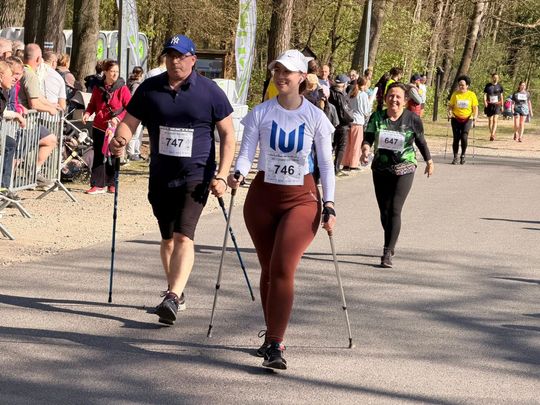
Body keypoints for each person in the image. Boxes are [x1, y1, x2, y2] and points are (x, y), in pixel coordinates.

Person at [109, 34, 236, 326]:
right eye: (170, 55)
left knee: (183, 235)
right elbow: (129, 123)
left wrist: (221, 174)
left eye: (180, 56)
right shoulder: (150, 88)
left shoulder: (210, 91)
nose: (174, 61)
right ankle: (175, 290)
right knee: (167, 239)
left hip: (197, 175)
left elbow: (228, 135)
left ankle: (173, 297)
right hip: (161, 175)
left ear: (193, 59)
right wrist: (120, 140)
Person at [227, 49, 336, 370]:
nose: (280, 76)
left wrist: (329, 204)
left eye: (287, 71)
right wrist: (238, 172)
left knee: (283, 268)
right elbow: (247, 153)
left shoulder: (315, 117)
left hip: (302, 200)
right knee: (268, 268)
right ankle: (270, 334)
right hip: (262, 199)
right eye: (277, 70)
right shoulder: (261, 112)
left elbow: (326, 165)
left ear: (302, 77)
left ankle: (276, 342)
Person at [360, 82, 434, 268]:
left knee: (394, 209)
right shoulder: (377, 116)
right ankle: (391, 237)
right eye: (390, 96)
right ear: (385, 98)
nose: (394, 99)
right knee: (384, 212)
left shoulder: (412, 119)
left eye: (398, 97)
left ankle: (387, 251)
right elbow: (368, 137)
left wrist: (429, 161)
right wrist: (365, 149)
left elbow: (421, 141)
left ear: (405, 100)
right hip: (381, 168)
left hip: (405, 167)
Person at [82, 59, 131, 194]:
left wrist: (118, 118)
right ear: (105, 72)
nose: (115, 74)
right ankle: (98, 184)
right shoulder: (98, 87)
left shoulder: (122, 88)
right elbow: (93, 104)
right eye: (112, 71)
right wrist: (87, 113)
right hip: (99, 126)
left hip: (115, 127)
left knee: (114, 155)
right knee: (99, 155)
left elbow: (130, 107)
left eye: (117, 71)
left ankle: (112, 183)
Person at [18, 43, 60, 188]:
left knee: (50, 139)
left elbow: (38, 95)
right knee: (17, 156)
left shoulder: (25, 71)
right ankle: (10, 184)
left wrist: (51, 104)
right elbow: (34, 103)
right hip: (25, 124)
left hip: (28, 122)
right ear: (38, 59)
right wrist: (49, 110)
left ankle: (34, 172)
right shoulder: (30, 75)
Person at [447, 75, 478, 165]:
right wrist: (449, 112)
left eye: (463, 85)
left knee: (464, 136)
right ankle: (455, 156)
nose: (461, 86)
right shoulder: (455, 94)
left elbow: (475, 108)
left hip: (468, 118)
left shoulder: (471, 95)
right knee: (456, 138)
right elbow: (450, 106)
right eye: (460, 85)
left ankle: (463, 155)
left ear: (467, 85)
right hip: (456, 118)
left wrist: (475, 117)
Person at [342, 76, 370, 170]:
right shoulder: (363, 95)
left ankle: (346, 162)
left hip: (350, 120)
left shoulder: (351, 92)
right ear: (364, 85)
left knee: (348, 143)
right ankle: (353, 163)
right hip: (358, 121)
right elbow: (366, 110)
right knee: (356, 144)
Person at [329, 74, 353, 175]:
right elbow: (345, 111)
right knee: (341, 146)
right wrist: (350, 120)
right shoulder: (341, 95)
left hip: (331, 122)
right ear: (344, 84)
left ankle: (327, 167)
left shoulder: (330, 92)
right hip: (342, 124)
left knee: (331, 145)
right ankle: (336, 168)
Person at [126, 66, 144, 161]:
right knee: (135, 133)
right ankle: (131, 153)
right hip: (136, 111)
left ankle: (136, 152)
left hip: (134, 111)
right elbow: (133, 98)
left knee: (138, 133)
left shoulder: (130, 83)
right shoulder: (136, 85)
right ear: (141, 74)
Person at [483, 73, 504, 141]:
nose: (495, 79)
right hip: (489, 104)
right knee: (490, 120)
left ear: (498, 78)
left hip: (497, 104)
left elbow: (501, 96)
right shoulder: (488, 85)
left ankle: (492, 134)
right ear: (492, 78)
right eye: (494, 77)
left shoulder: (500, 86)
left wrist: (502, 105)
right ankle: (491, 133)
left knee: (495, 119)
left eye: (497, 77)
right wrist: (485, 101)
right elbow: (485, 94)